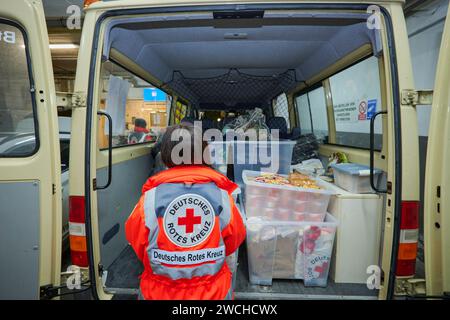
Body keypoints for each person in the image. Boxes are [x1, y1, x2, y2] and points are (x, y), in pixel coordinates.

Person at [125, 123, 246, 300]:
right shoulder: (222, 197)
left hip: (159, 294)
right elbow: (235, 239)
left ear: (165, 153)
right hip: (214, 294)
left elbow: (136, 241)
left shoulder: (149, 200)